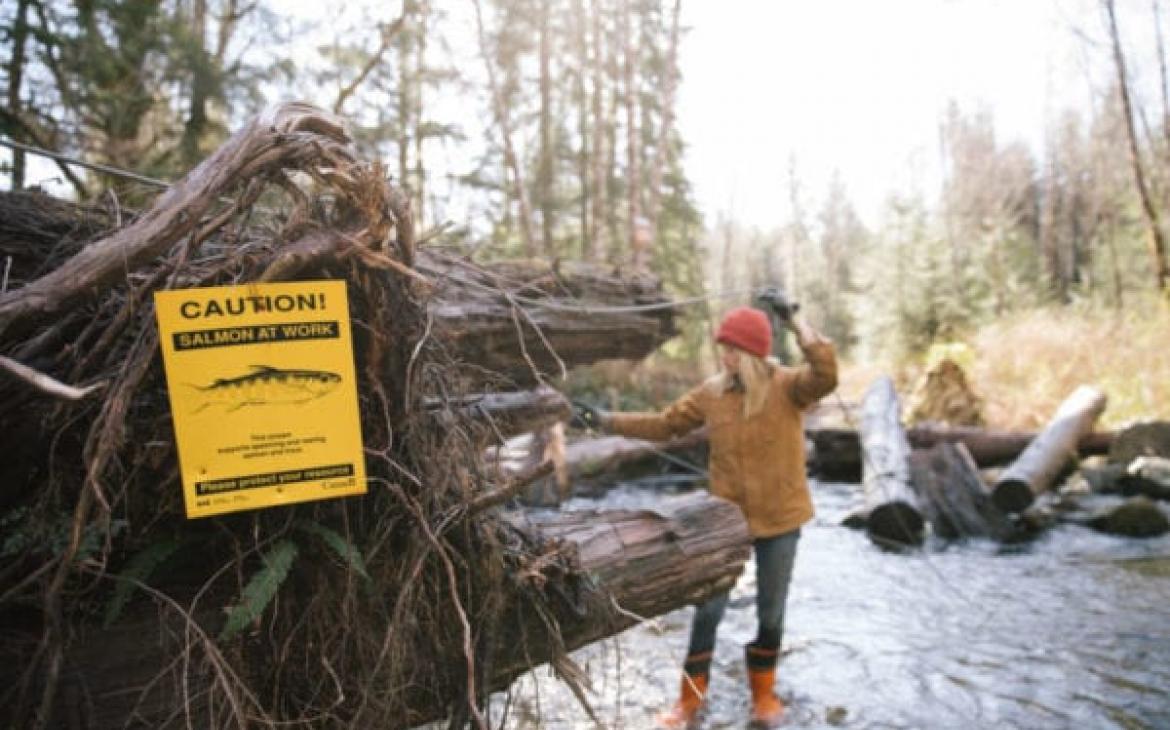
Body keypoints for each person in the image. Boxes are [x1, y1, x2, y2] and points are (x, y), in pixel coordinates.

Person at [573, 303, 837, 728]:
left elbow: (826, 375)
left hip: (781, 519)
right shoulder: (712, 394)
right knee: (708, 612)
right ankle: (688, 703)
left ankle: (764, 698)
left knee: (771, 613)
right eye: (723, 349)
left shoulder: (789, 386)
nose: (724, 357)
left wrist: (796, 321)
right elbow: (664, 424)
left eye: (732, 350)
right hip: (724, 522)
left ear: (752, 352)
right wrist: (602, 420)